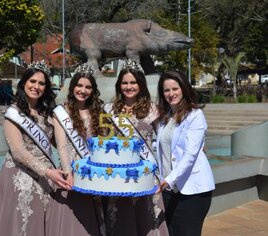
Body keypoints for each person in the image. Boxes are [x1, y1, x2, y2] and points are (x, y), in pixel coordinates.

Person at [0, 60, 69, 236]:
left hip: (47, 178)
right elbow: (19, 152)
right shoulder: (13, 113)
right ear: (24, 83)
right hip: (22, 177)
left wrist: (67, 166)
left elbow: (58, 144)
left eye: (41, 83)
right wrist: (47, 172)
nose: (36, 86)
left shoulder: (47, 113)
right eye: (33, 81)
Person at [103, 58, 168, 236]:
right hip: (120, 176)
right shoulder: (109, 109)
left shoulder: (152, 110)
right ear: (119, 85)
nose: (129, 86)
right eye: (125, 83)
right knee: (122, 222)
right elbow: (102, 140)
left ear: (140, 85)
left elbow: (165, 138)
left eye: (133, 82)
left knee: (145, 220)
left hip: (146, 174)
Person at [155, 70, 215, 236]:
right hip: (169, 191)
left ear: (184, 89)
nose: (171, 93)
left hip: (192, 192)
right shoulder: (165, 117)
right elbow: (162, 151)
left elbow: (190, 156)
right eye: (166, 90)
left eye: (175, 88)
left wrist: (168, 179)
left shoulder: (195, 116)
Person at [49, 63, 106, 236]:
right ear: (72, 87)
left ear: (93, 91)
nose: (83, 90)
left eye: (88, 87)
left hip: (93, 174)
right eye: (79, 86)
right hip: (72, 174)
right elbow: (62, 146)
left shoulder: (98, 112)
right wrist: (68, 173)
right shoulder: (61, 112)